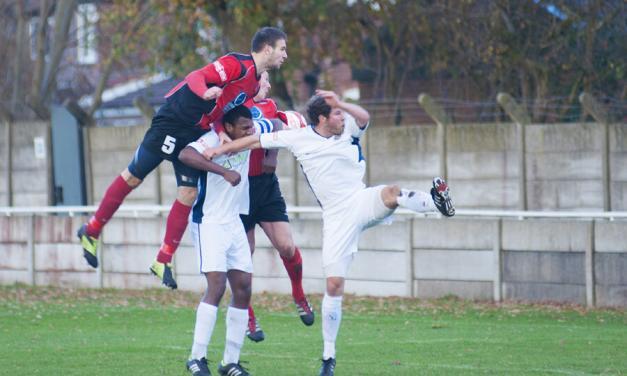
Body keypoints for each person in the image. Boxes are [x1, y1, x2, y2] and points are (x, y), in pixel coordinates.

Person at [203, 90, 456, 376]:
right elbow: (255, 140)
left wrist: (341, 102)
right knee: (334, 285)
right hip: (336, 218)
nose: (343, 117)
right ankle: (328, 358)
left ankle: (436, 204)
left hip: (361, 201)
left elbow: (365, 117)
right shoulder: (298, 137)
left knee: (391, 193)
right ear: (322, 118)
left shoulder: (348, 129)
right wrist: (219, 150)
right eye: (336, 113)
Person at [76, 27, 288, 290]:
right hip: (173, 121)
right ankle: (92, 230)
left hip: (195, 131)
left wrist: (221, 132)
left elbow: (222, 112)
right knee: (133, 177)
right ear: (267, 49)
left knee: (188, 192)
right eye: (282, 49)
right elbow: (196, 76)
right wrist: (205, 93)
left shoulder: (253, 84)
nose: (285, 55)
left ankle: (162, 260)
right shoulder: (237, 64)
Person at [215, 71, 313, 343]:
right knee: (243, 257)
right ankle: (247, 314)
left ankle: (299, 295)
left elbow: (283, 126)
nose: (268, 86)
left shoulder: (269, 107)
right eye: (265, 81)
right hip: (239, 190)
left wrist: (276, 146)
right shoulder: (231, 107)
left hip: (266, 187)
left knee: (287, 246)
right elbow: (219, 127)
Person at [178, 105, 258, 376]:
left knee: (244, 287)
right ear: (229, 128)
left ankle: (230, 362)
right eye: (245, 127)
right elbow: (185, 154)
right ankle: (196, 357)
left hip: (233, 221)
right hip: (209, 222)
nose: (250, 131)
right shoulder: (212, 139)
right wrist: (222, 171)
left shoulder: (251, 134)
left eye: (251, 126)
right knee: (217, 285)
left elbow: (278, 126)